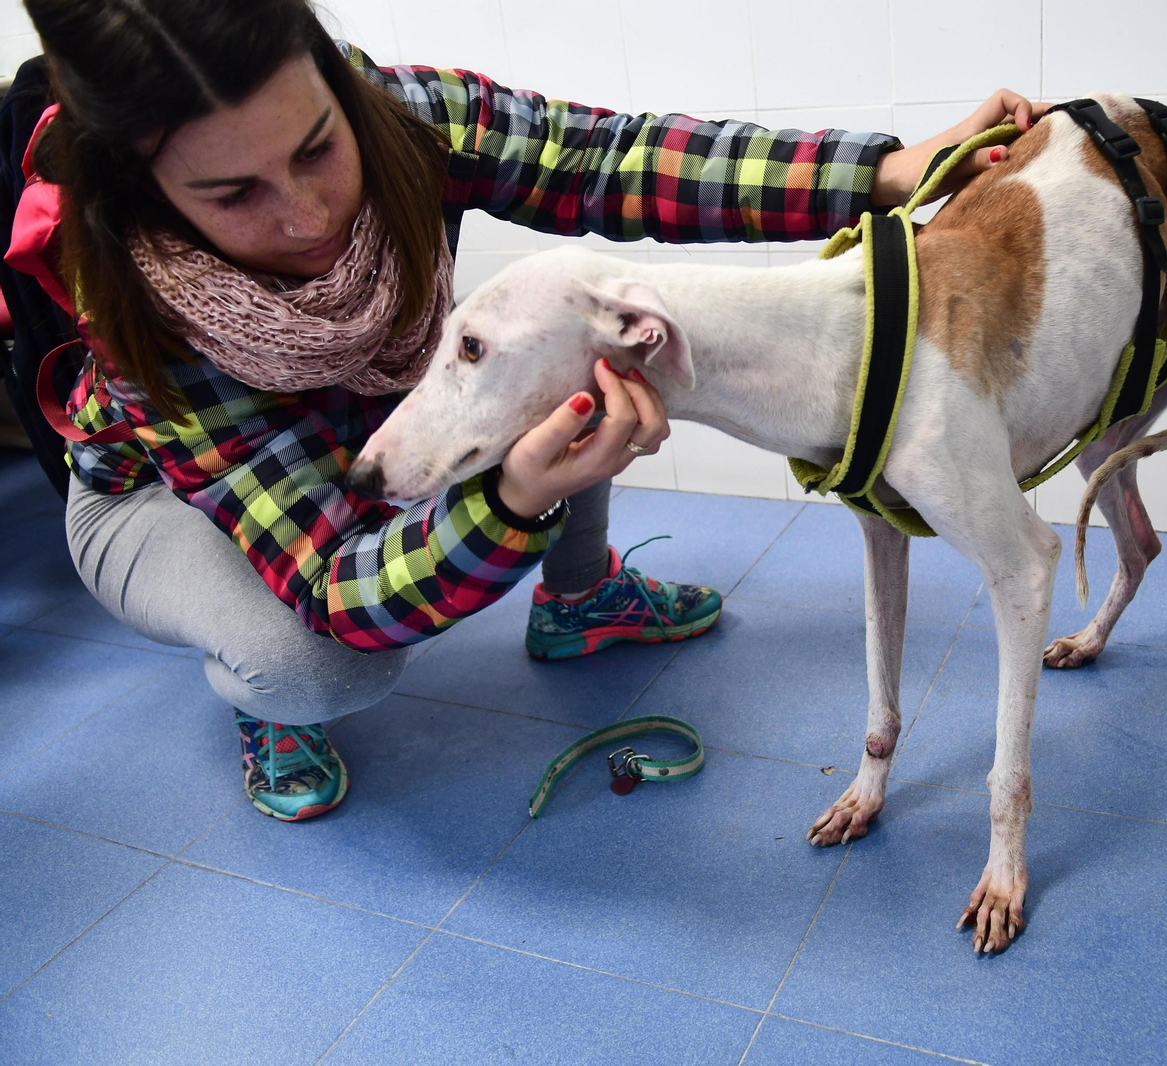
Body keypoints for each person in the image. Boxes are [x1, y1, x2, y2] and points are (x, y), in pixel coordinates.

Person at [17, 0, 1043, 822]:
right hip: (162, 503)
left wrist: (881, 175)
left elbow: (608, 158)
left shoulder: (405, 117)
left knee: (558, 366)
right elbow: (338, 583)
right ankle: (266, 704)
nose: (308, 214)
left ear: (335, 83)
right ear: (146, 192)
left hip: (364, 432)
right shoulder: (137, 311)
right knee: (316, 664)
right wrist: (509, 505)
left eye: (318, 149)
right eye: (234, 194)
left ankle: (580, 599)